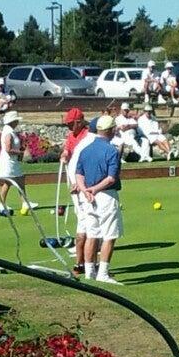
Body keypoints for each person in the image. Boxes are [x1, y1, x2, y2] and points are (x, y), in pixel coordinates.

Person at [76, 115, 123, 284]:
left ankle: (89, 273)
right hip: (106, 195)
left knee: (92, 234)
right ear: (110, 130)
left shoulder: (85, 149)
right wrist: (94, 189)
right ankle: (103, 273)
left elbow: (78, 174)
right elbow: (111, 178)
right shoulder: (112, 150)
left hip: (87, 197)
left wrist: (85, 190)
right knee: (109, 235)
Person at [61, 108, 96, 276]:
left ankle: (84, 264)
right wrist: (65, 154)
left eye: (70, 124)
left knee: (88, 223)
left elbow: (88, 162)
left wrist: (80, 183)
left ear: (79, 122)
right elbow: (68, 149)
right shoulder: (72, 136)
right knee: (84, 220)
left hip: (84, 184)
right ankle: (84, 264)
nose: (68, 127)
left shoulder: (88, 138)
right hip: (75, 183)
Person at [0, 110, 38, 216]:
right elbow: (8, 149)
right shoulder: (8, 132)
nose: (17, 123)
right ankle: (2, 204)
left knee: (19, 181)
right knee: (9, 182)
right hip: (8, 161)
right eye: (16, 121)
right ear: (13, 121)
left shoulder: (10, 131)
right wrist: (21, 153)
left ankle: (24, 203)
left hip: (12, 161)